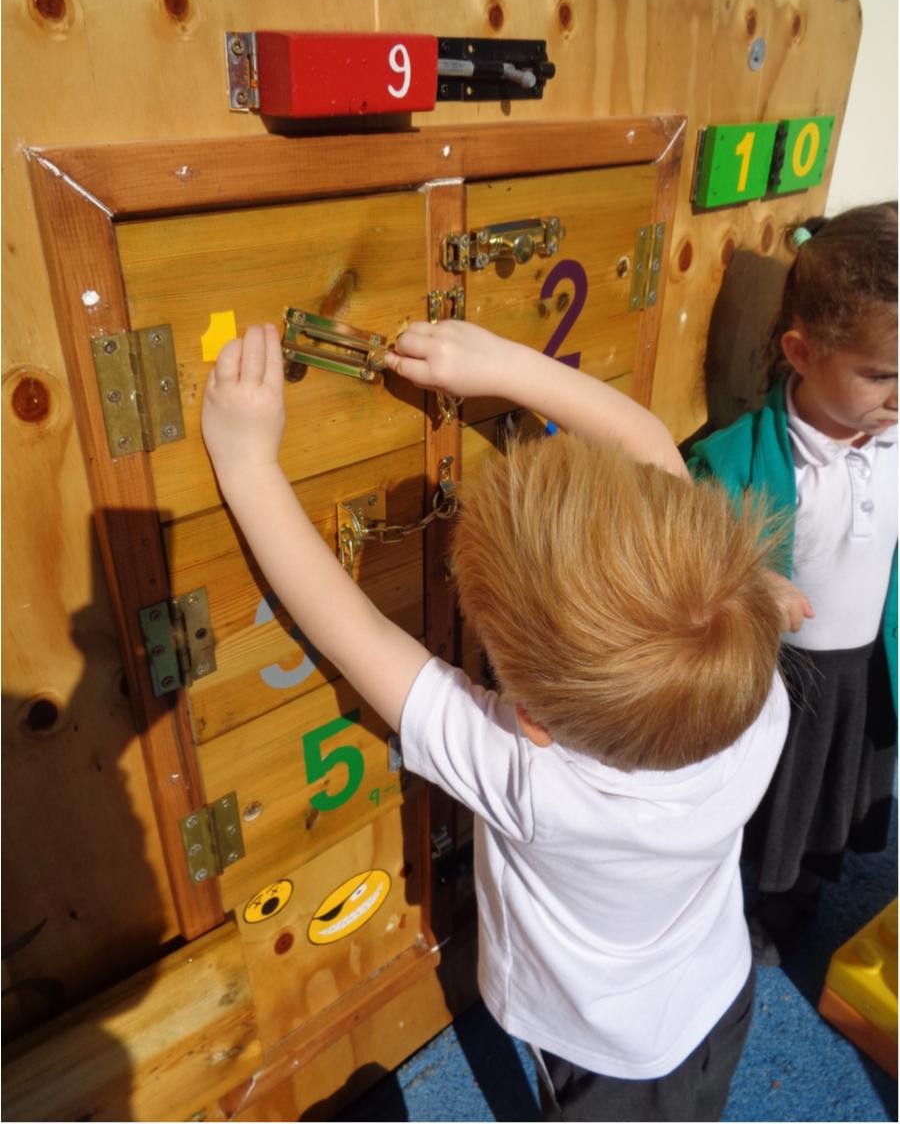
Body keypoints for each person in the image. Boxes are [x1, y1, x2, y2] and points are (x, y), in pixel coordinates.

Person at [202, 318, 790, 1122]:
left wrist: (245, 465)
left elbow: (357, 633)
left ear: (534, 720)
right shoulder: (753, 695)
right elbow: (652, 448)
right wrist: (501, 363)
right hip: (719, 990)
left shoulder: (529, 778)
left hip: (604, 1062)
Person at [689, 202, 898, 965]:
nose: (898, 397)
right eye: (880, 376)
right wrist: (750, 583)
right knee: (765, 802)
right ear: (802, 353)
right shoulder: (736, 458)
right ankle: (745, 910)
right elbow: (688, 552)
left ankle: (802, 889)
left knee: (830, 802)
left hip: (862, 670)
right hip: (785, 678)